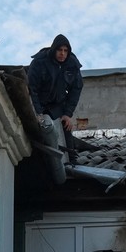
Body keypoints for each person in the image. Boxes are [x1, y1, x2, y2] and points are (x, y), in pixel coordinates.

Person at [27, 34, 83, 163]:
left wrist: (68, 113)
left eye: (65, 51)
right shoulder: (40, 61)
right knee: (40, 130)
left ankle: (72, 160)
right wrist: (38, 112)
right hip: (39, 102)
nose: (62, 54)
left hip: (58, 103)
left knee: (66, 125)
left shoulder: (72, 64)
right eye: (59, 50)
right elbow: (32, 88)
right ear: (54, 49)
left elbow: (77, 88)